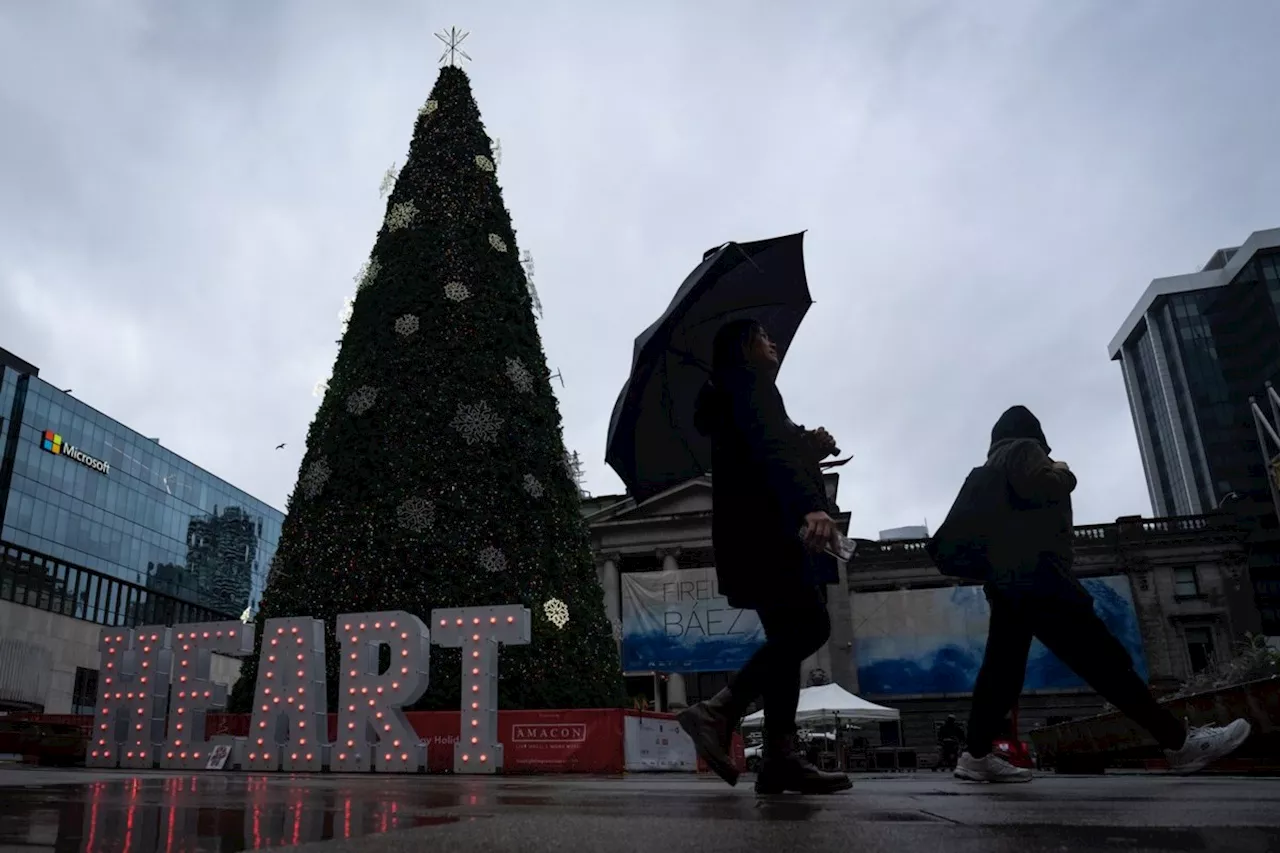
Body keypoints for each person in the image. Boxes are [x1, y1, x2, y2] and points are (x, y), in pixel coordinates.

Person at [956, 405, 1253, 783]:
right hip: (1040, 579)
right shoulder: (1024, 450)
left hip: (1006, 581)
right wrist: (1063, 472)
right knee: (1106, 664)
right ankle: (1180, 744)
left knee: (1000, 672)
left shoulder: (993, 469)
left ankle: (976, 755)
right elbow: (1043, 485)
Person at [676, 319, 852, 795]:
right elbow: (771, 451)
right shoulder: (752, 386)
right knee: (811, 627)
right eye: (762, 335)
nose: (771, 341)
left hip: (750, 536)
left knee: (787, 640)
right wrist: (810, 505)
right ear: (743, 346)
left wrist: (806, 445)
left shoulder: (735, 393)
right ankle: (717, 711)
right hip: (771, 534)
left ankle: (779, 759)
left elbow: (766, 449)